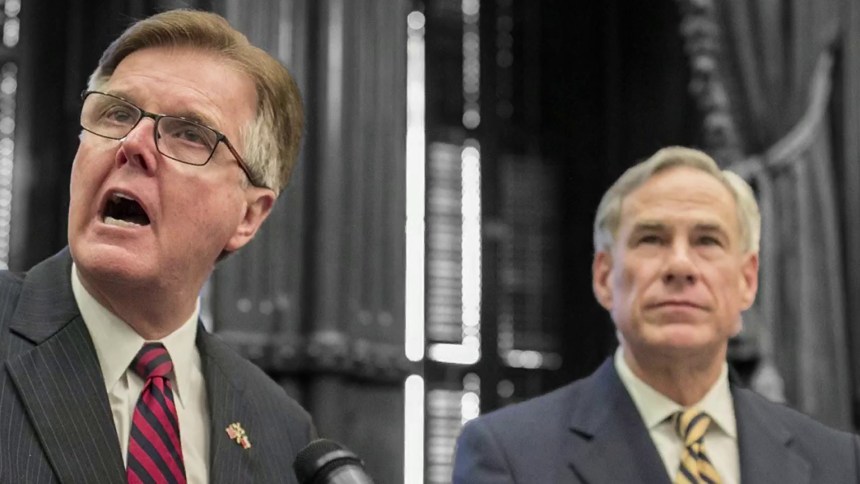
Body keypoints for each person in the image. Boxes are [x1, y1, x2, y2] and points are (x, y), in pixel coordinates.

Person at [0, 9, 314, 483]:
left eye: (190, 134)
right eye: (117, 113)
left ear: (248, 216)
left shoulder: (283, 433)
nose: (133, 143)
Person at [452, 146, 860, 483]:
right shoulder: (510, 456)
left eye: (707, 240)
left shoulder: (840, 462)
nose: (680, 265)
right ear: (604, 277)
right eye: (651, 239)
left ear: (747, 281)